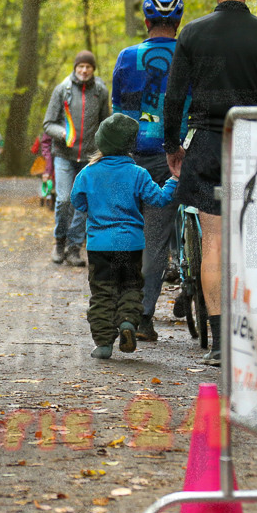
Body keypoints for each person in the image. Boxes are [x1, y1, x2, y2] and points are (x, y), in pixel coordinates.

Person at [163, 0, 257, 365]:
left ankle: (218, 344)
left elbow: (175, 96)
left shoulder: (193, 34)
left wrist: (172, 144)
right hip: (256, 143)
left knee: (213, 240)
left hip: (209, 142)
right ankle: (252, 336)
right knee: (254, 241)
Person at [110, 0, 187, 342]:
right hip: (176, 155)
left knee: (126, 234)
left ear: (146, 20)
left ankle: (116, 308)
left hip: (132, 155)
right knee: (156, 241)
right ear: (178, 22)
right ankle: (142, 316)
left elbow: (119, 110)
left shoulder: (127, 57)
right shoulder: (190, 55)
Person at [71, 113, 178, 359]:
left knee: (102, 293)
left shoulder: (88, 173)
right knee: (130, 288)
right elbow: (160, 199)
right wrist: (174, 179)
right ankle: (129, 322)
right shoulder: (138, 173)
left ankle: (104, 343)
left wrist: (94, 207)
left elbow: (76, 200)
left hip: (99, 246)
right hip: (130, 244)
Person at [43, 50, 110, 267]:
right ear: (75, 68)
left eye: (88, 67)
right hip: (64, 155)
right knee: (64, 200)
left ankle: (74, 249)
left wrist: (105, 150)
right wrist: (62, 133)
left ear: (93, 69)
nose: (84, 70)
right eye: (80, 66)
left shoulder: (100, 91)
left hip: (89, 157)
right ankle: (59, 243)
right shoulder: (62, 90)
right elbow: (48, 124)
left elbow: (105, 123)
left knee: (82, 204)